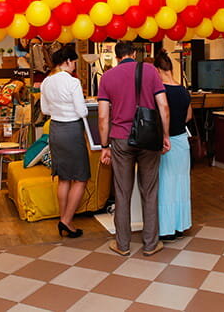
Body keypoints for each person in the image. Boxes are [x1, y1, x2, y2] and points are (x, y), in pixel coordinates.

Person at [98, 41, 170, 257]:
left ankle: (123, 244)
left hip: (120, 139)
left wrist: (104, 146)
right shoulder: (149, 71)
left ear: (116, 56)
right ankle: (150, 244)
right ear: (133, 53)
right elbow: (163, 106)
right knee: (150, 191)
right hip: (148, 138)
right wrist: (165, 135)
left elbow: (103, 117)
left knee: (122, 192)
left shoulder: (107, 77)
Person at [40, 46, 89, 238]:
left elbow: (45, 110)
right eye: (74, 61)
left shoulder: (46, 81)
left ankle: (64, 219)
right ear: (68, 61)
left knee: (64, 178)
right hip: (72, 130)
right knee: (81, 178)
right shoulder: (73, 82)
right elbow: (82, 111)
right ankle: (67, 221)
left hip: (56, 129)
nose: (75, 65)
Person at [153, 49, 193, 241]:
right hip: (182, 141)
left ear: (157, 70)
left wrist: (165, 134)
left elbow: (163, 114)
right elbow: (189, 116)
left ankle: (166, 229)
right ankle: (180, 227)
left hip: (166, 143)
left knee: (166, 186)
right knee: (181, 185)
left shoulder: (161, 91)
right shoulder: (183, 90)